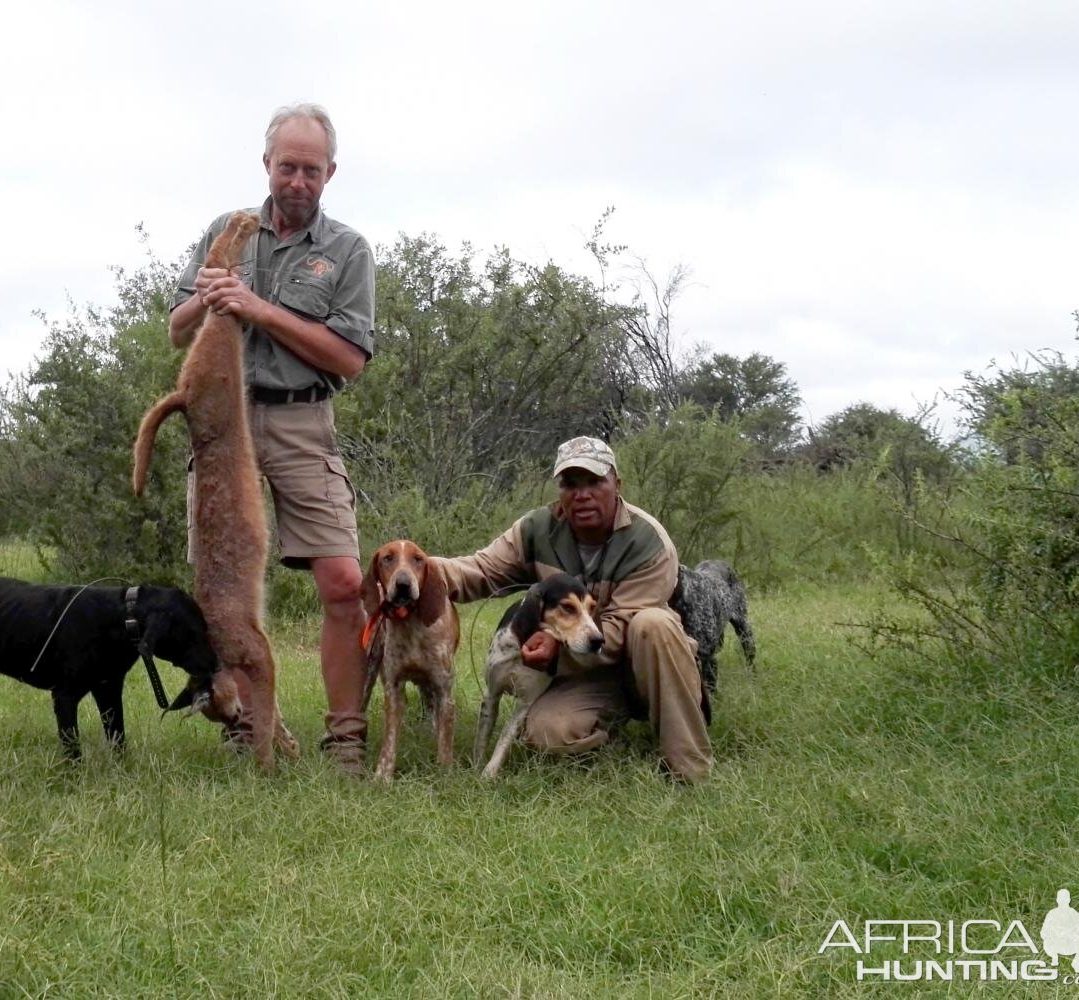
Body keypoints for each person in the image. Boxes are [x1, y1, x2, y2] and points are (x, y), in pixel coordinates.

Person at [168, 103, 375, 772]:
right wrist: (205, 298)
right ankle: (247, 729)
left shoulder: (346, 250)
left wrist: (259, 308)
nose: (297, 181)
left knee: (343, 581)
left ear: (330, 173)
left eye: (311, 170)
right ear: (267, 165)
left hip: (299, 419)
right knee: (218, 590)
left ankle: (344, 740)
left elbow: (348, 358)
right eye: (287, 167)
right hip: (221, 424)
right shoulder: (227, 232)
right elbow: (177, 328)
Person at [432, 436, 712, 782]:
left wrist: (555, 646)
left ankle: (689, 770)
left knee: (652, 624)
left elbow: (622, 627)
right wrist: (415, 570)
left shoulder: (648, 541)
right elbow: (480, 569)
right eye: (570, 484)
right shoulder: (537, 528)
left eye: (595, 481)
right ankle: (610, 723)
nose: (582, 495)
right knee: (547, 734)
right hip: (584, 673)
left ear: (617, 484)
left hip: (644, 661)